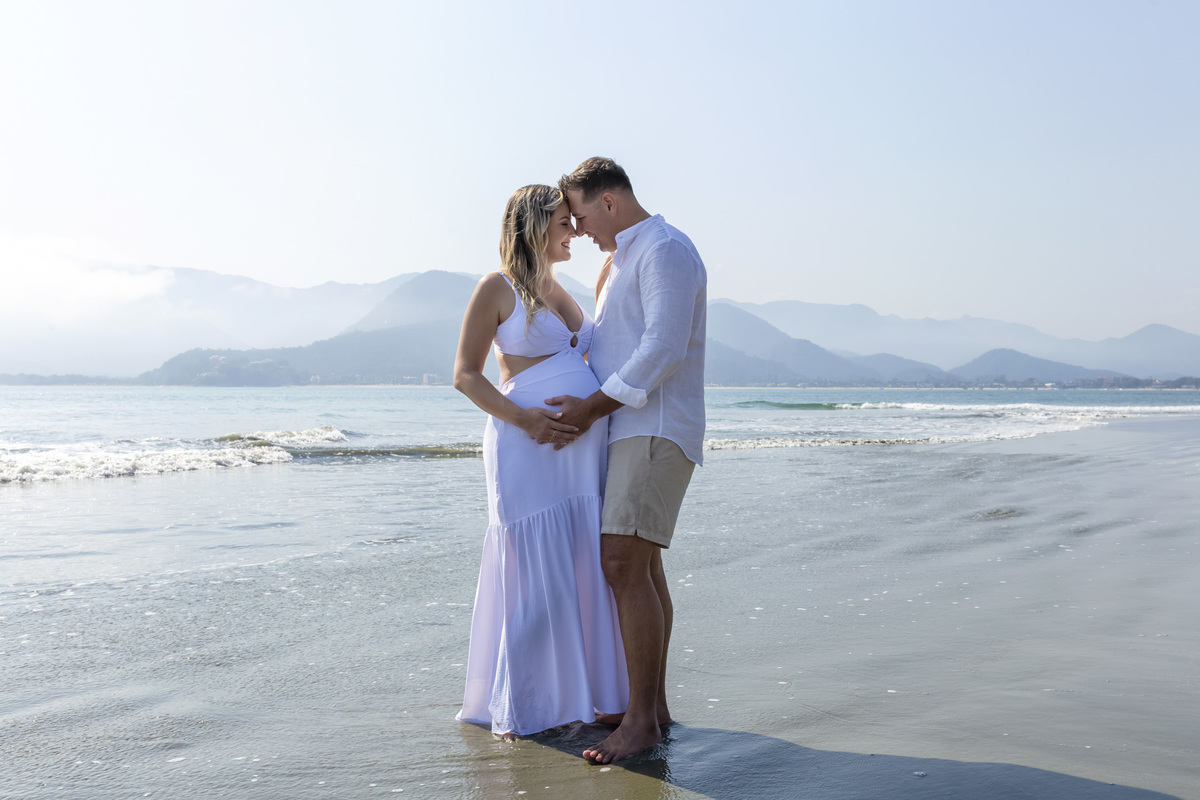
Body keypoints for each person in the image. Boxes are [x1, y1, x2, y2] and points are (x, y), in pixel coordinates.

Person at [544, 157, 707, 763]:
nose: (578, 230)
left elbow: (663, 348)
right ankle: (652, 710)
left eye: (581, 215)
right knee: (641, 566)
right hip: (628, 429)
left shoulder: (664, 249)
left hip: (655, 426)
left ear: (608, 202)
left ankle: (640, 724)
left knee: (622, 563)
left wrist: (588, 410)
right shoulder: (616, 264)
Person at [453, 184, 629, 741]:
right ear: (533, 227)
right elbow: (466, 375)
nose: (574, 231)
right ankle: (526, 705)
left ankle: (592, 697)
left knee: (582, 566)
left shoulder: (560, 287)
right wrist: (526, 420)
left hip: (580, 455)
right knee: (534, 572)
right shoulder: (497, 286)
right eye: (563, 223)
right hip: (527, 447)